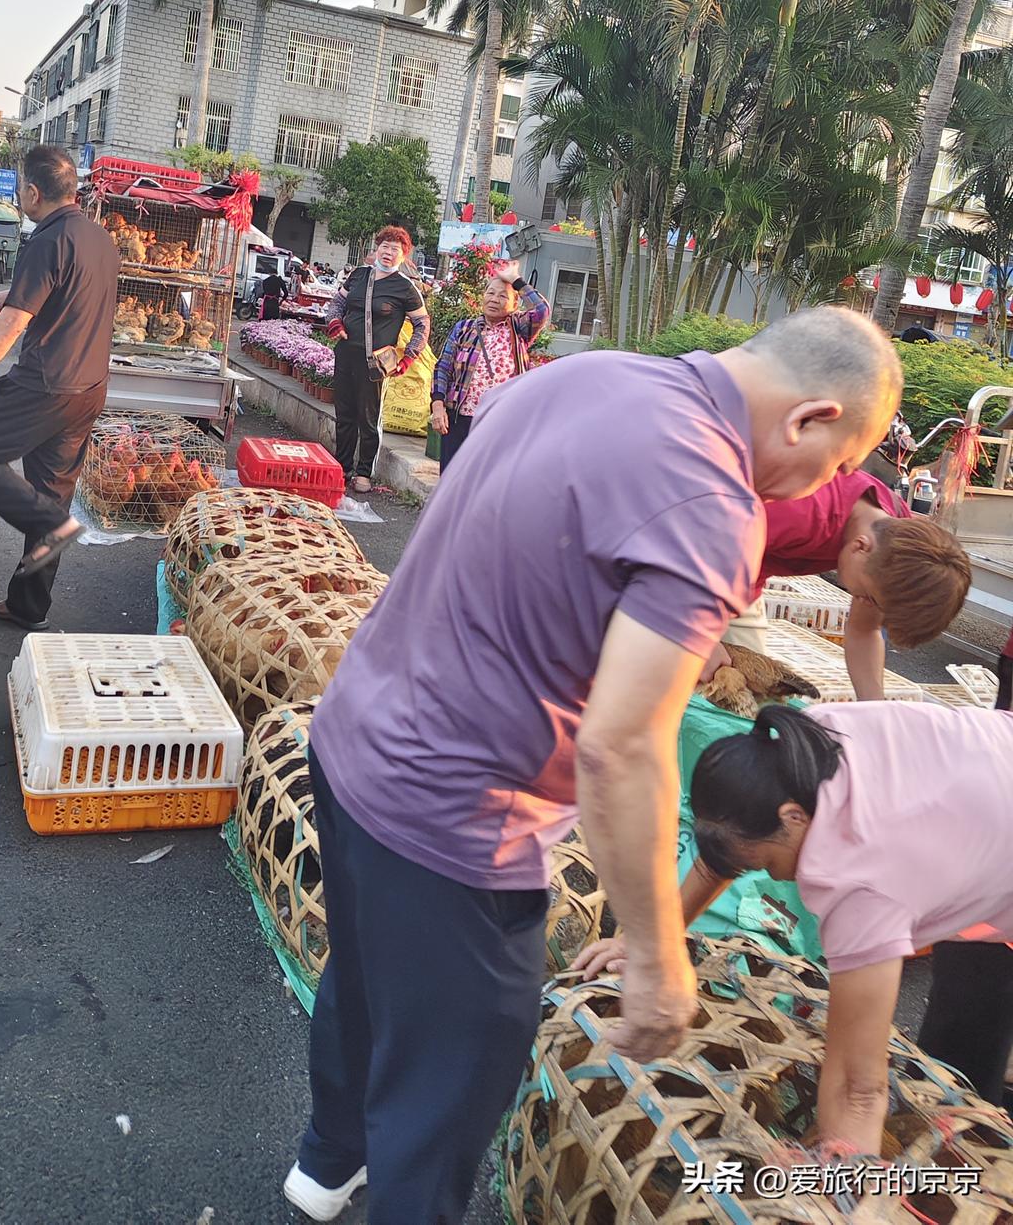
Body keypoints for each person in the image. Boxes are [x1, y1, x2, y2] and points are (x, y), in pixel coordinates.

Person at [283, 307, 902, 1225]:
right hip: (459, 816)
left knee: (367, 978)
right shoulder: (713, 506)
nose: (830, 485)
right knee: (448, 1090)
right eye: (844, 463)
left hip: (354, 743)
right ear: (809, 418)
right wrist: (657, 954)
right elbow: (624, 742)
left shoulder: (592, 374)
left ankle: (329, 1164)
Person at [577, 703, 1013, 1152]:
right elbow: (728, 845)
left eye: (764, 863)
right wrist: (650, 940)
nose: (774, 876)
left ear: (793, 818)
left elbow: (858, 1088)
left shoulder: (861, 889)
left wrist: (834, 1173)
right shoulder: (800, 744)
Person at [0, 146, 119, 633]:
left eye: (20, 188)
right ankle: (29, 605)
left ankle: (50, 526)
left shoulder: (46, 240)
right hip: (89, 387)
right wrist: (8, 295)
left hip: (46, 385)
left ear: (33, 192)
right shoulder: (99, 238)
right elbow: (66, 295)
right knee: (52, 493)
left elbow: (13, 325)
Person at [705, 468, 972, 699]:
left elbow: (864, 630)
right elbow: (684, 538)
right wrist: (697, 639)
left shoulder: (892, 545)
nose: (864, 604)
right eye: (868, 598)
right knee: (690, 670)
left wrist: (874, 709)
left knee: (753, 689)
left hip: (739, 577)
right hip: (694, 553)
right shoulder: (799, 508)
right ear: (860, 546)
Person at [324, 227, 430, 494]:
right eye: (385, 246)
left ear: (404, 255)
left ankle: (363, 472)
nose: (388, 252)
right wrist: (335, 323)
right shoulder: (359, 275)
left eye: (396, 249)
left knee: (368, 418)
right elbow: (336, 304)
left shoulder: (405, 287)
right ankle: (342, 466)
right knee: (344, 414)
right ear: (377, 248)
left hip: (375, 364)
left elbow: (422, 324)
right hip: (346, 354)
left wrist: (409, 356)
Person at [429, 259, 550, 470]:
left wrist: (516, 281)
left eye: (503, 295)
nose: (494, 299)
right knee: (452, 476)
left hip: (501, 419)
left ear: (514, 305)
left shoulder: (518, 328)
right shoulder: (464, 329)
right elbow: (443, 367)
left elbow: (541, 310)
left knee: (488, 478)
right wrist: (438, 406)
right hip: (461, 416)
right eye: (490, 293)